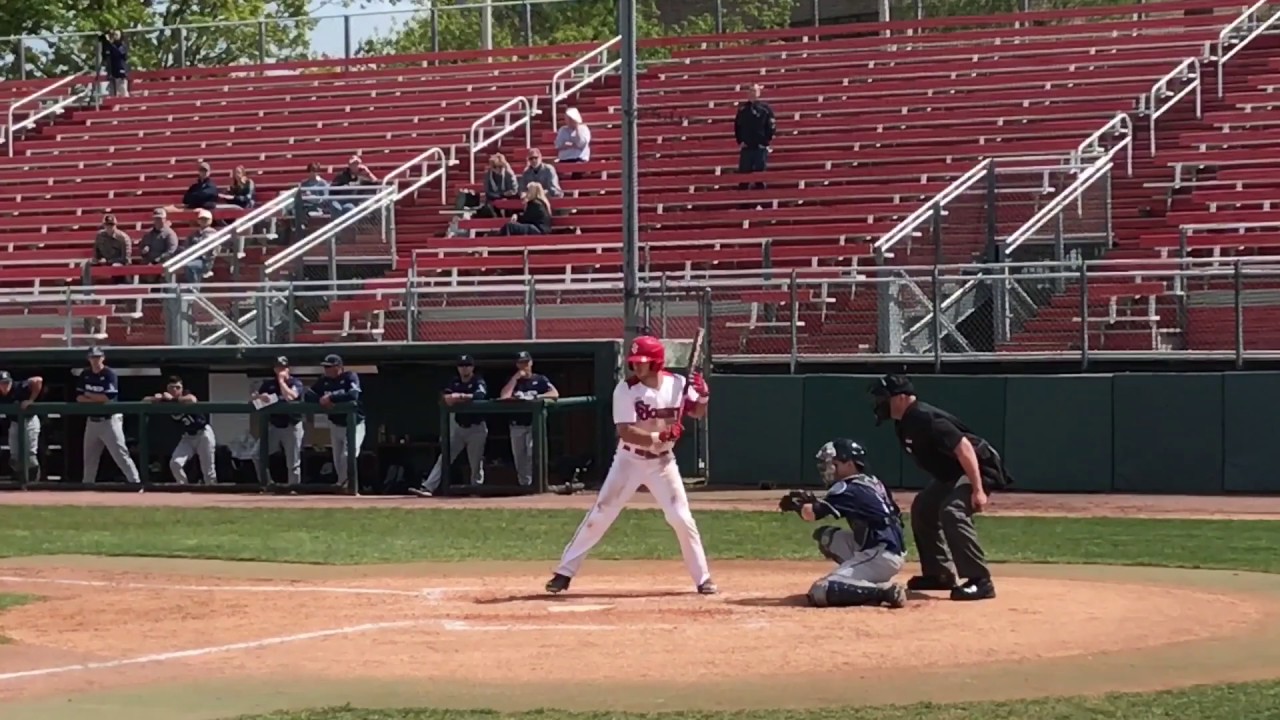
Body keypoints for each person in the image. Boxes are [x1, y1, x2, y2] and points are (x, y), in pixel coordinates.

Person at [545, 336, 715, 595]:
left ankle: (703, 579)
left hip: (663, 463)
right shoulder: (626, 390)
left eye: (642, 362)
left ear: (656, 362)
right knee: (601, 514)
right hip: (629, 460)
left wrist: (702, 397)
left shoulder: (677, 384)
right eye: (634, 362)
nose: (636, 367)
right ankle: (564, 573)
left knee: (681, 518)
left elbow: (696, 412)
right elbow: (626, 431)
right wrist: (659, 436)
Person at [869, 373, 1014, 601]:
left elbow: (963, 447)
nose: (879, 402)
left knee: (952, 511)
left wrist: (977, 489)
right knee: (923, 508)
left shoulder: (924, 417)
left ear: (900, 398)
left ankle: (981, 581)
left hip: (977, 469)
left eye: (883, 397)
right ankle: (939, 574)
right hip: (952, 474)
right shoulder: (905, 422)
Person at [779, 439, 907, 609]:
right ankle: (863, 576)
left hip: (880, 553)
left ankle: (883, 592)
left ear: (849, 464)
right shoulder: (873, 482)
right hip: (887, 548)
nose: (828, 468)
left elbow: (811, 514)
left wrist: (798, 506)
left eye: (834, 463)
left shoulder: (847, 487)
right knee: (826, 537)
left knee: (821, 590)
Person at [411, 355, 488, 497]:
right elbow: (445, 396)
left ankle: (476, 491)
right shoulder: (454, 381)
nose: (464, 368)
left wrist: (460, 396)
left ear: (472, 367)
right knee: (444, 457)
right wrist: (451, 398)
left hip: (476, 428)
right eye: (461, 366)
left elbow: (481, 395)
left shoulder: (477, 380)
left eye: (467, 366)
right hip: (459, 428)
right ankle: (428, 488)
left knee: (475, 463)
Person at [77, 346, 142, 487]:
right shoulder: (85, 374)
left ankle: (135, 482)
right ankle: (87, 485)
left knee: (120, 454)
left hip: (110, 420)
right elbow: (79, 398)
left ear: (103, 358)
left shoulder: (109, 373)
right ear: (88, 359)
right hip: (92, 421)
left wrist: (89, 396)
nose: (95, 360)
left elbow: (107, 398)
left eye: (98, 357)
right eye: (93, 357)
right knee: (89, 458)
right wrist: (94, 399)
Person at [499, 351, 558, 488]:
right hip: (516, 425)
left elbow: (554, 394)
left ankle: (537, 485)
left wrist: (536, 397)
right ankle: (525, 486)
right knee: (520, 459)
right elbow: (504, 396)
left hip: (534, 424)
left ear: (531, 363)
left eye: (526, 362)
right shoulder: (513, 381)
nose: (523, 366)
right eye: (521, 363)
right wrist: (515, 379)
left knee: (533, 454)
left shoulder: (540, 379)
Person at [143, 376, 216, 485]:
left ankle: (212, 495)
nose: (175, 390)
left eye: (178, 387)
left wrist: (172, 399)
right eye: (172, 387)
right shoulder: (165, 401)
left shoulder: (185, 396)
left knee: (208, 471)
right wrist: (158, 398)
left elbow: (192, 399)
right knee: (175, 463)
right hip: (188, 437)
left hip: (203, 434)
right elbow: (144, 401)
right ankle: (184, 487)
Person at [310, 354, 364, 489]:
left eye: (329, 367)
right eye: (325, 367)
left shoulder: (349, 377)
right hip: (335, 424)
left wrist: (332, 398)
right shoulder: (323, 381)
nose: (326, 369)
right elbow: (308, 395)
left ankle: (346, 485)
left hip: (354, 424)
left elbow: (353, 395)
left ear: (339, 367)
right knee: (337, 459)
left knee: (347, 455)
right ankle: (342, 484)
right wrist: (321, 400)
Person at [251, 356, 305, 486]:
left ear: (288, 369)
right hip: (274, 425)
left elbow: (291, 397)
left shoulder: (296, 383)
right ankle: (267, 484)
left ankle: (293, 488)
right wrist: (258, 396)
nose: (280, 370)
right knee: (257, 455)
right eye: (278, 367)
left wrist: (281, 381)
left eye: (283, 367)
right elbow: (255, 402)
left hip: (292, 425)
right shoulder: (268, 384)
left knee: (293, 462)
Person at [0, 371, 42, 483]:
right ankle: (20, 483)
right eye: (2, 383)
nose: (5, 385)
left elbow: (38, 380)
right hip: (14, 423)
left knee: (30, 457)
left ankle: (33, 484)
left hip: (29, 421)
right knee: (14, 458)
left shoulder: (18, 386)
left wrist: (31, 400)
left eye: (6, 382)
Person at [734, 84, 776, 191]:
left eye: (754, 91)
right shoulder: (742, 109)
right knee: (744, 178)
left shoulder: (765, 109)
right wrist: (740, 141)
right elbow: (737, 127)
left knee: (760, 178)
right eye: (750, 91)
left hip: (760, 148)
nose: (752, 93)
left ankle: (760, 204)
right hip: (747, 148)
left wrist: (766, 141)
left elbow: (771, 126)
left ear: (759, 93)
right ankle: (744, 205)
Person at [99, 31, 129, 98]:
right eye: (114, 35)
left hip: (120, 71)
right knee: (111, 92)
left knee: (122, 90)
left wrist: (109, 43)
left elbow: (119, 53)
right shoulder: (110, 45)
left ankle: (125, 105)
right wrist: (105, 42)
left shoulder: (122, 45)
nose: (114, 36)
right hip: (112, 71)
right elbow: (105, 55)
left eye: (116, 34)